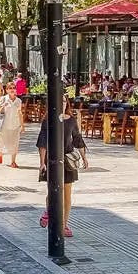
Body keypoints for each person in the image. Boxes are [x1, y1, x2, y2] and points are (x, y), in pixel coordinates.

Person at [37, 96, 89, 238]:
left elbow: (77, 139)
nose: (63, 104)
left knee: (67, 194)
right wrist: (42, 162)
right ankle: (48, 211)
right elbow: (42, 142)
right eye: (60, 101)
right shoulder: (48, 120)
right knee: (53, 191)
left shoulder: (71, 120)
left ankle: (64, 224)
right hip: (52, 159)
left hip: (67, 160)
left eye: (65, 101)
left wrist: (84, 157)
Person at [0, 82, 25, 167]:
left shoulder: (18, 101)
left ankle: (13, 162)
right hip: (4, 125)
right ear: (7, 90)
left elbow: (20, 113)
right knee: (2, 142)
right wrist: (3, 106)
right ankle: (0, 153)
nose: (12, 90)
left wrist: (22, 125)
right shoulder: (3, 99)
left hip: (15, 125)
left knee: (15, 143)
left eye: (13, 88)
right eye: (10, 88)